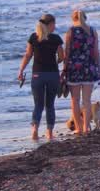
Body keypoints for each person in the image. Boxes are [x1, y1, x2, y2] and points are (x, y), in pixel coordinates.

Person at [18, 13, 65, 141]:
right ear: (49, 24)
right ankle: (49, 133)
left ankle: (34, 130)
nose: (55, 26)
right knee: (50, 105)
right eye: (54, 24)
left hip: (37, 75)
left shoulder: (34, 37)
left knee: (38, 105)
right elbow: (62, 57)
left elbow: (27, 55)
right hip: (52, 75)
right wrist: (57, 63)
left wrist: (21, 70)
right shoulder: (56, 39)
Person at [64, 8, 100, 135]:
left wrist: (64, 68)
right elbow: (96, 52)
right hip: (89, 68)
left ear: (73, 19)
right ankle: (86, 128)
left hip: (74, 68)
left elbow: (67, 52)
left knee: (74, 100)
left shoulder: (70, 31)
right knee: (87, 100)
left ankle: (79, 128)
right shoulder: (92, 31)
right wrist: (99, 67)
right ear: (85, 18)